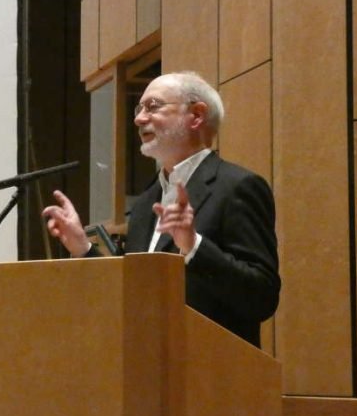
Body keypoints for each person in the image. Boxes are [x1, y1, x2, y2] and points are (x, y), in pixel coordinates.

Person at [42, 71, 280, 347]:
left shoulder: (237, 187)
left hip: (212, 374)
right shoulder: (146, 203)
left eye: (153, 106)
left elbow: (262, 297)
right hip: (149, 369)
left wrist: (194, 247)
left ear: (197, 115)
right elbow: (133, 290)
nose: (139, 118)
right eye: (139, 108)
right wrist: (83, 248)